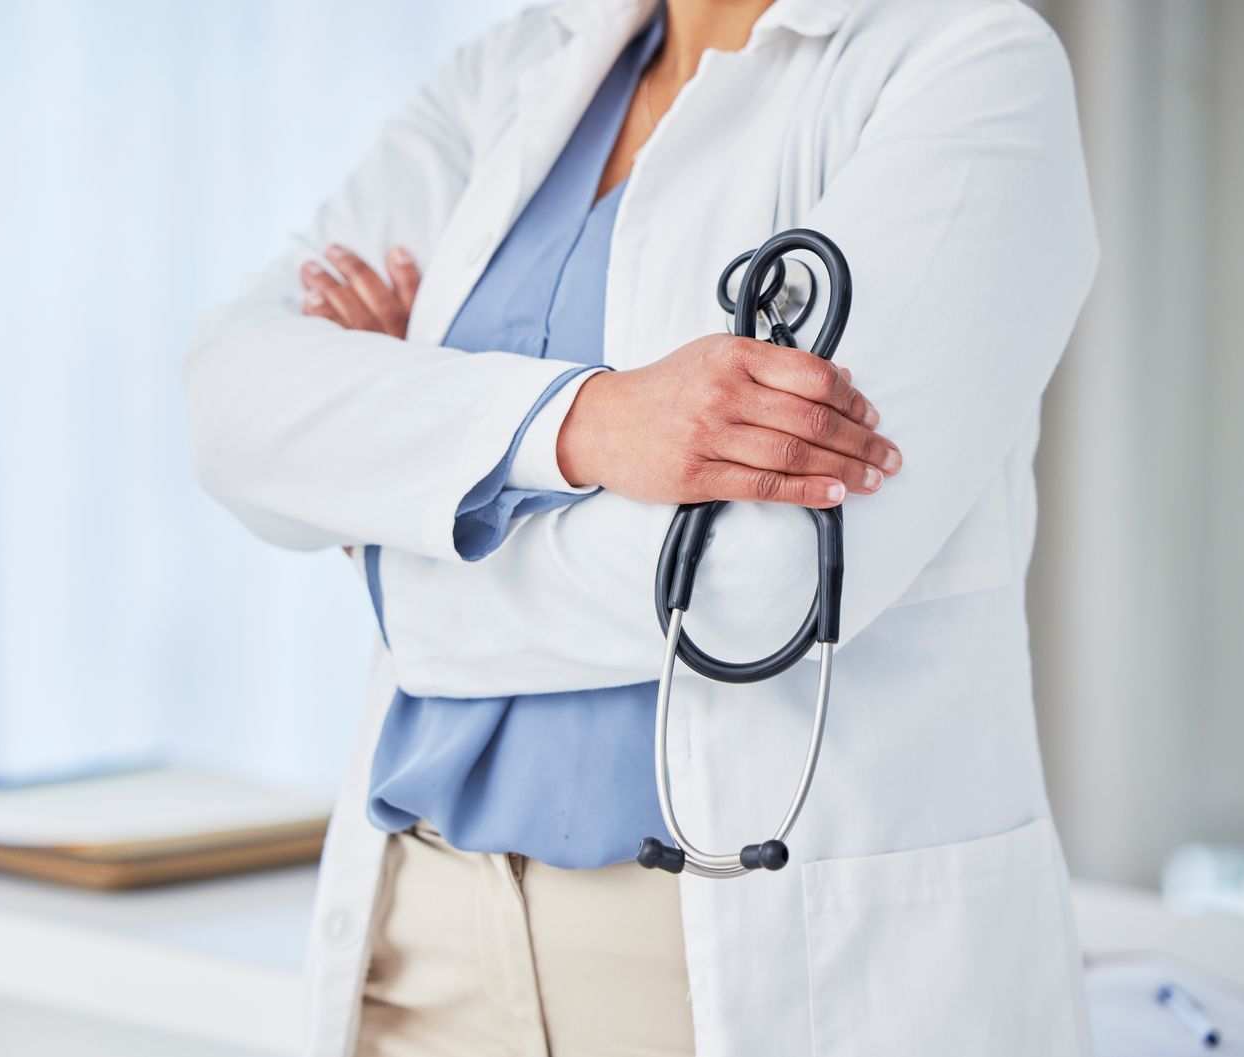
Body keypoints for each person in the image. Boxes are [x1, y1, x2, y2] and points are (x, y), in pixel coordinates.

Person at [186, 0, 1098, 1053]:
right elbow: (231, 405)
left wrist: (399, 510)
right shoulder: (522, 63)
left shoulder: (968, 63)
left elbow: (757, 584)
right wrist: (586, 424)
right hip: (419, 945)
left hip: (729, 969)